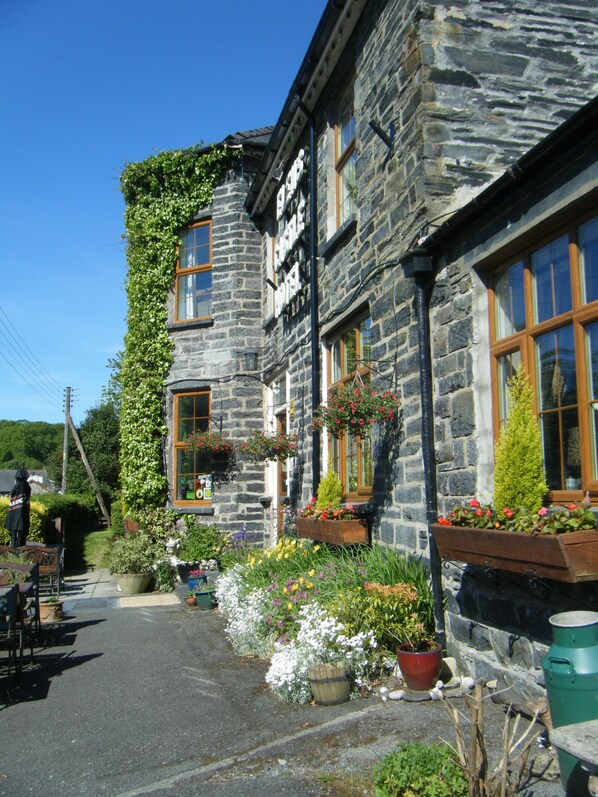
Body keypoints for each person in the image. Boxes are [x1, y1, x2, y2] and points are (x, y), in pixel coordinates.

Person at [4, 465, 31, 548]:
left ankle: (15, 547)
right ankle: (19, 547)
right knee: (21, 532)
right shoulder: (27, 487)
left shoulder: (17, 487)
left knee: (15, 532)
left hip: (15, 513)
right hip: (22, 512)